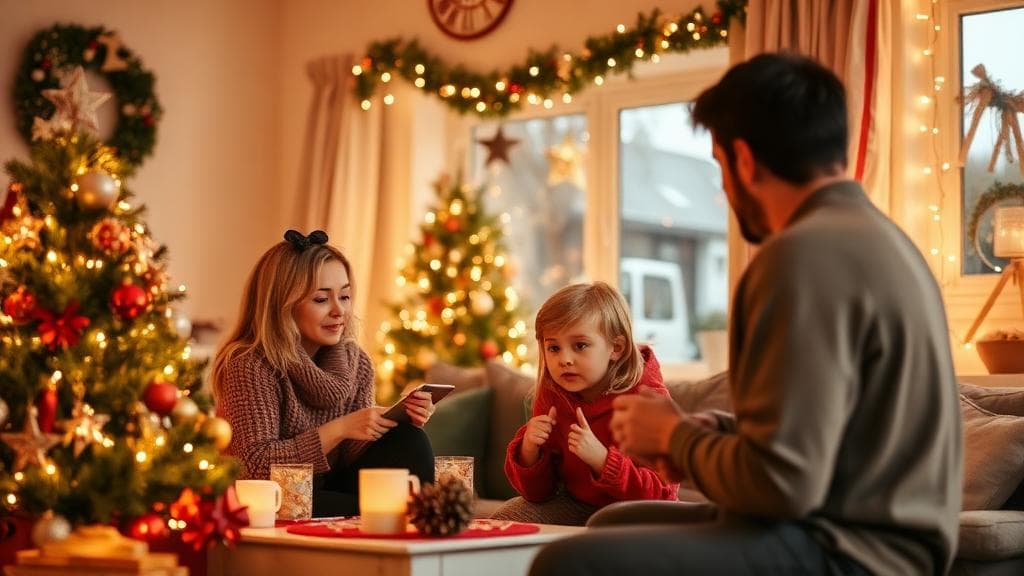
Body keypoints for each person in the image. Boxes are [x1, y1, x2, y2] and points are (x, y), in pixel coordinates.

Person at [531, 53, 962, 575]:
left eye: (719, 166)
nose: (723, 188)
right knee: (613, 523)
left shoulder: (799, 257)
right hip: (877, 534)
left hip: (852, 551)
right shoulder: (885, 240)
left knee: (566, 562)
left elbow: (782, 485)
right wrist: (715, 429)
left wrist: (673, 438)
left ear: (744, 159)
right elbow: (823, 438)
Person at [214, 229, 436, 517]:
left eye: (344, 296)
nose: (339, 311)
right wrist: (340, 428)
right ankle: (390, 514)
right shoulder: (250, 364)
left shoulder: (357, 363)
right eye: (321, 299)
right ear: (282, 306)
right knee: (382, 508)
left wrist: (394, 420)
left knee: (408, 439)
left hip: (331, 487)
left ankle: (410, 522)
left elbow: (348, 457)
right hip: (273, 497)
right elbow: (253, 466)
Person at [492, 281, 678, 526]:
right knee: (505, 520)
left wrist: (603, 461)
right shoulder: (552, 395)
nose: (565, 359)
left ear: (616, 348)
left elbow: (664, 496)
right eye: (554, 348)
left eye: (580, 346)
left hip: (637, 514)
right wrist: (529, 452)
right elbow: (539, 495)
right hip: (577, 505)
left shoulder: (648, 400)